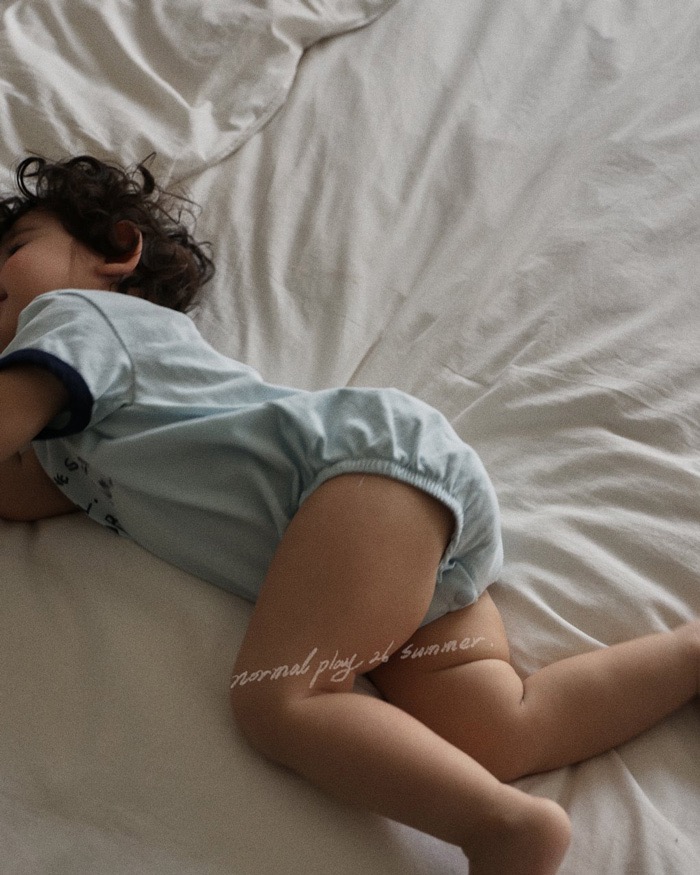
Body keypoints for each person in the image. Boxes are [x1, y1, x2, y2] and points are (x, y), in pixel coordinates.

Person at [0, 156, 697, 875]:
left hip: (356, 477)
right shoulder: (65, 439)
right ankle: (689, 656)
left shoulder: (76, 318)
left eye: (14, 249)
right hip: (386, 556)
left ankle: (501, 828)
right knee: (495, 731)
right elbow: (20, 491)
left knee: (280, 700)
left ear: (117, 253)